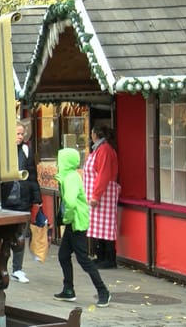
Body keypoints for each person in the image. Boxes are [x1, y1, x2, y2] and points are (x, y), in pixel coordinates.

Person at [54, 148, 110, 308]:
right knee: (63, 255)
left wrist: (66, 219)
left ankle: (103, 292)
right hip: (74, 223)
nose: (58, 163)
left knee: (83, 259)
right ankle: (68, 290)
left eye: (60, 160)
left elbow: (70, 203)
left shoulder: (70, 178)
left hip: (76, 223)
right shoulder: (69, 176)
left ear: (66, 162)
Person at [1, 121, 42, 283]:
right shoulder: (2, 151)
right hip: (5, 199)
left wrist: (37, 198)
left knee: (20, 236)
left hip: (23, 198)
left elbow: (32, 175)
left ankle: (17, 269)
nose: (20, 137)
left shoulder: (26, 150)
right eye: (17, 134)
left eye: (22, 134)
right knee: (4, 235)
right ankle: (1, 266)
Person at [83, 124, 120, 269]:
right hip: (98, 193)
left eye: (91, 132)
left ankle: (109, 258)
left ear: (95, 134)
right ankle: (100, 256)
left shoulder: (104, 149)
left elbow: (103, 174)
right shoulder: (99, 148)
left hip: (104, 194)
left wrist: (96, 195)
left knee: (105, 226)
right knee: (97, 226)